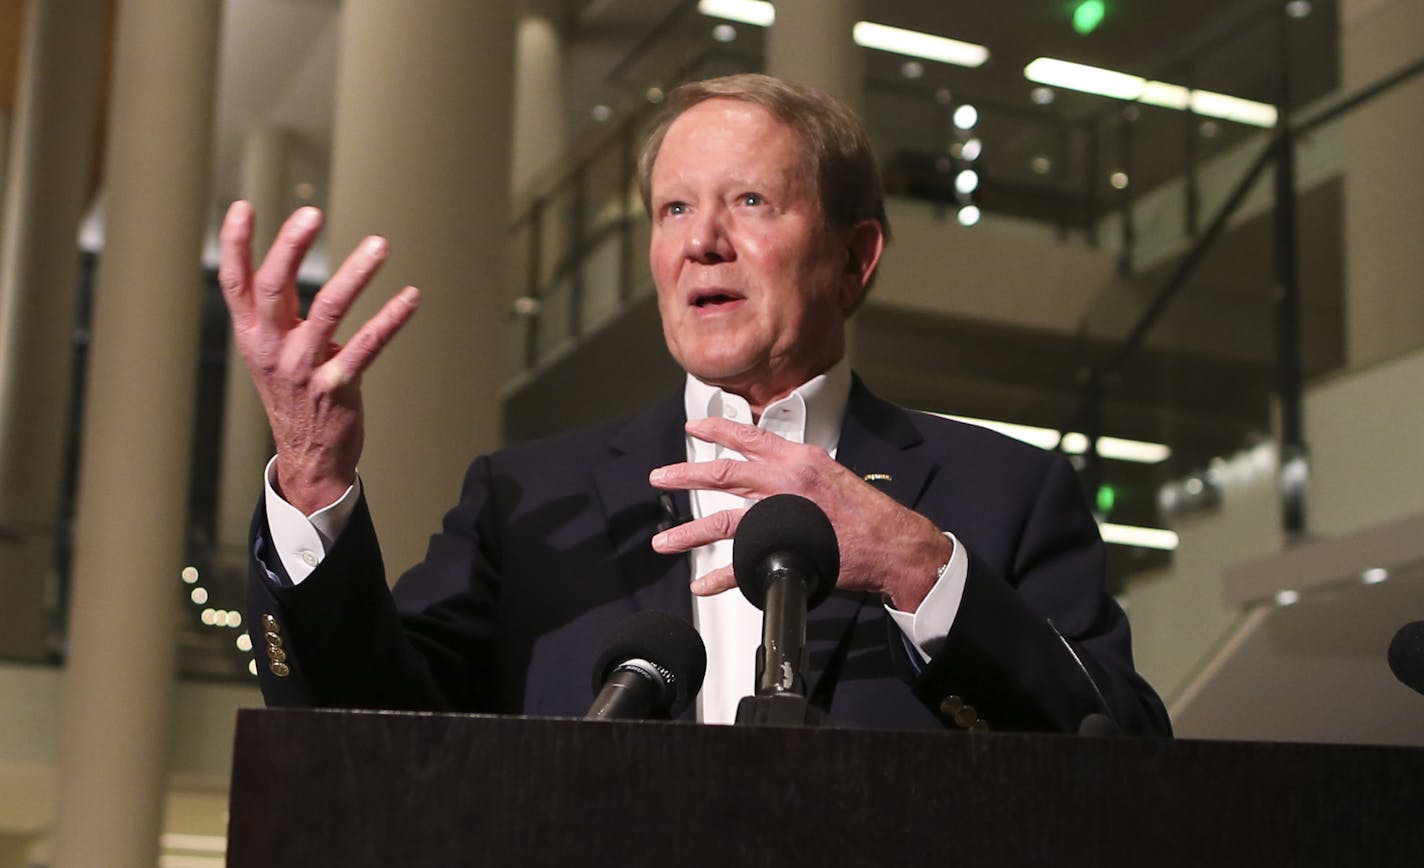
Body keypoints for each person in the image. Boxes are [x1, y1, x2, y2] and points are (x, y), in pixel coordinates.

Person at [222, 73, 1170, 735]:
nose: (702, 242)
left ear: (856, 256)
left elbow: (1123, 752)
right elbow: (366, 735)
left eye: (752, 201)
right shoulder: (525, 501)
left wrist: (917, 568)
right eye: (675, 209)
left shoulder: (1003, 491)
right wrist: (311, 477)